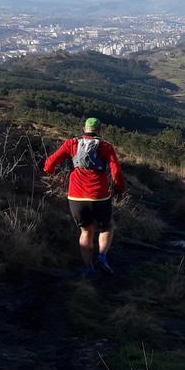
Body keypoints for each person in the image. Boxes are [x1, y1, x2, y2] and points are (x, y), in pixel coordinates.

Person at [43, 117, 126, 276]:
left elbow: (49, 164)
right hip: (99, 196)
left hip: (76, 196)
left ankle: (89, 268)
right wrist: (119, 189)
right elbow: (116, 172)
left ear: (84, 129)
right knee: (107, 226)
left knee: (86, 231)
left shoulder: (71, 144)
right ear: (100, 130)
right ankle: (101, 257)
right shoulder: (106, 146)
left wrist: (51, 174)